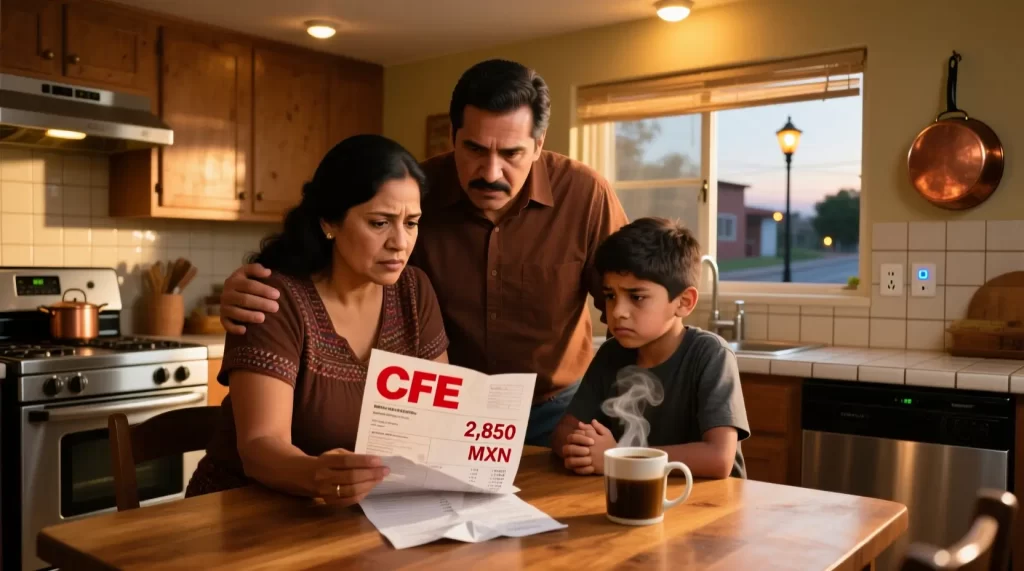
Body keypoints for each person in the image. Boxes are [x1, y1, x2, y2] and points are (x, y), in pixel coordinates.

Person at [215, 59, 628, 447]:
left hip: (553, 413)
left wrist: (605, 409)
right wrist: (257, 280)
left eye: (511, 153)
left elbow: (629, 306)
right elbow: (338, 259)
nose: (490, 172)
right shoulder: (413, 192)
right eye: (474, 149)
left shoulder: (587, 195)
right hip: (441, 415)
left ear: (538, 145)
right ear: (453, 138)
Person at [185, 134, 449, 506]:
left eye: (412, 223)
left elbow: (439, 415)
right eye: (379, 223)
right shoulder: (271, 297)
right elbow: (260, 446)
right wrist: (317, 475)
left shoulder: (414, 291)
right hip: (240, 515)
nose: (400, 242)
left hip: (355, 516)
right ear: (329, 221)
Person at [552, 217, 750, 479]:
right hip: (634, 500)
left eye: (637, 297)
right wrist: (582, 447)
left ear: (683, 302)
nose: (618, 312)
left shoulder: (710, 355)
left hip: (710, 507)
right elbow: (562, 433)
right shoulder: (611, 354)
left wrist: (619, 458)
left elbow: (718, 459)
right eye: (610, 295)